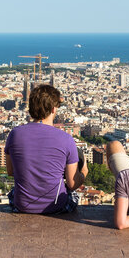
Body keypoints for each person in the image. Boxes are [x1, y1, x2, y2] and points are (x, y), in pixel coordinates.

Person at [5, 84, 87, 214]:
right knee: (73, 194)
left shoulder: (14, 134)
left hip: (22, 206)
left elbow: (11, 171)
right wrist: (83, 171)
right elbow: (72, 184)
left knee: (13, 193)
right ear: (54, 109)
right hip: (55, 207)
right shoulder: (66, 139)